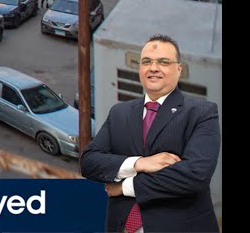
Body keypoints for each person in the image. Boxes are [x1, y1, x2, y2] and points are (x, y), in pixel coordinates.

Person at [81, 34, 221, 233]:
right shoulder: (120, 112)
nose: (153, 68)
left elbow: (196, 175)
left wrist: (125, 187)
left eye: (164, 62)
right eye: (146, 61)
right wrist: (138, 163)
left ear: (179, 69)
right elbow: (89, 162)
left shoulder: (201, 112)